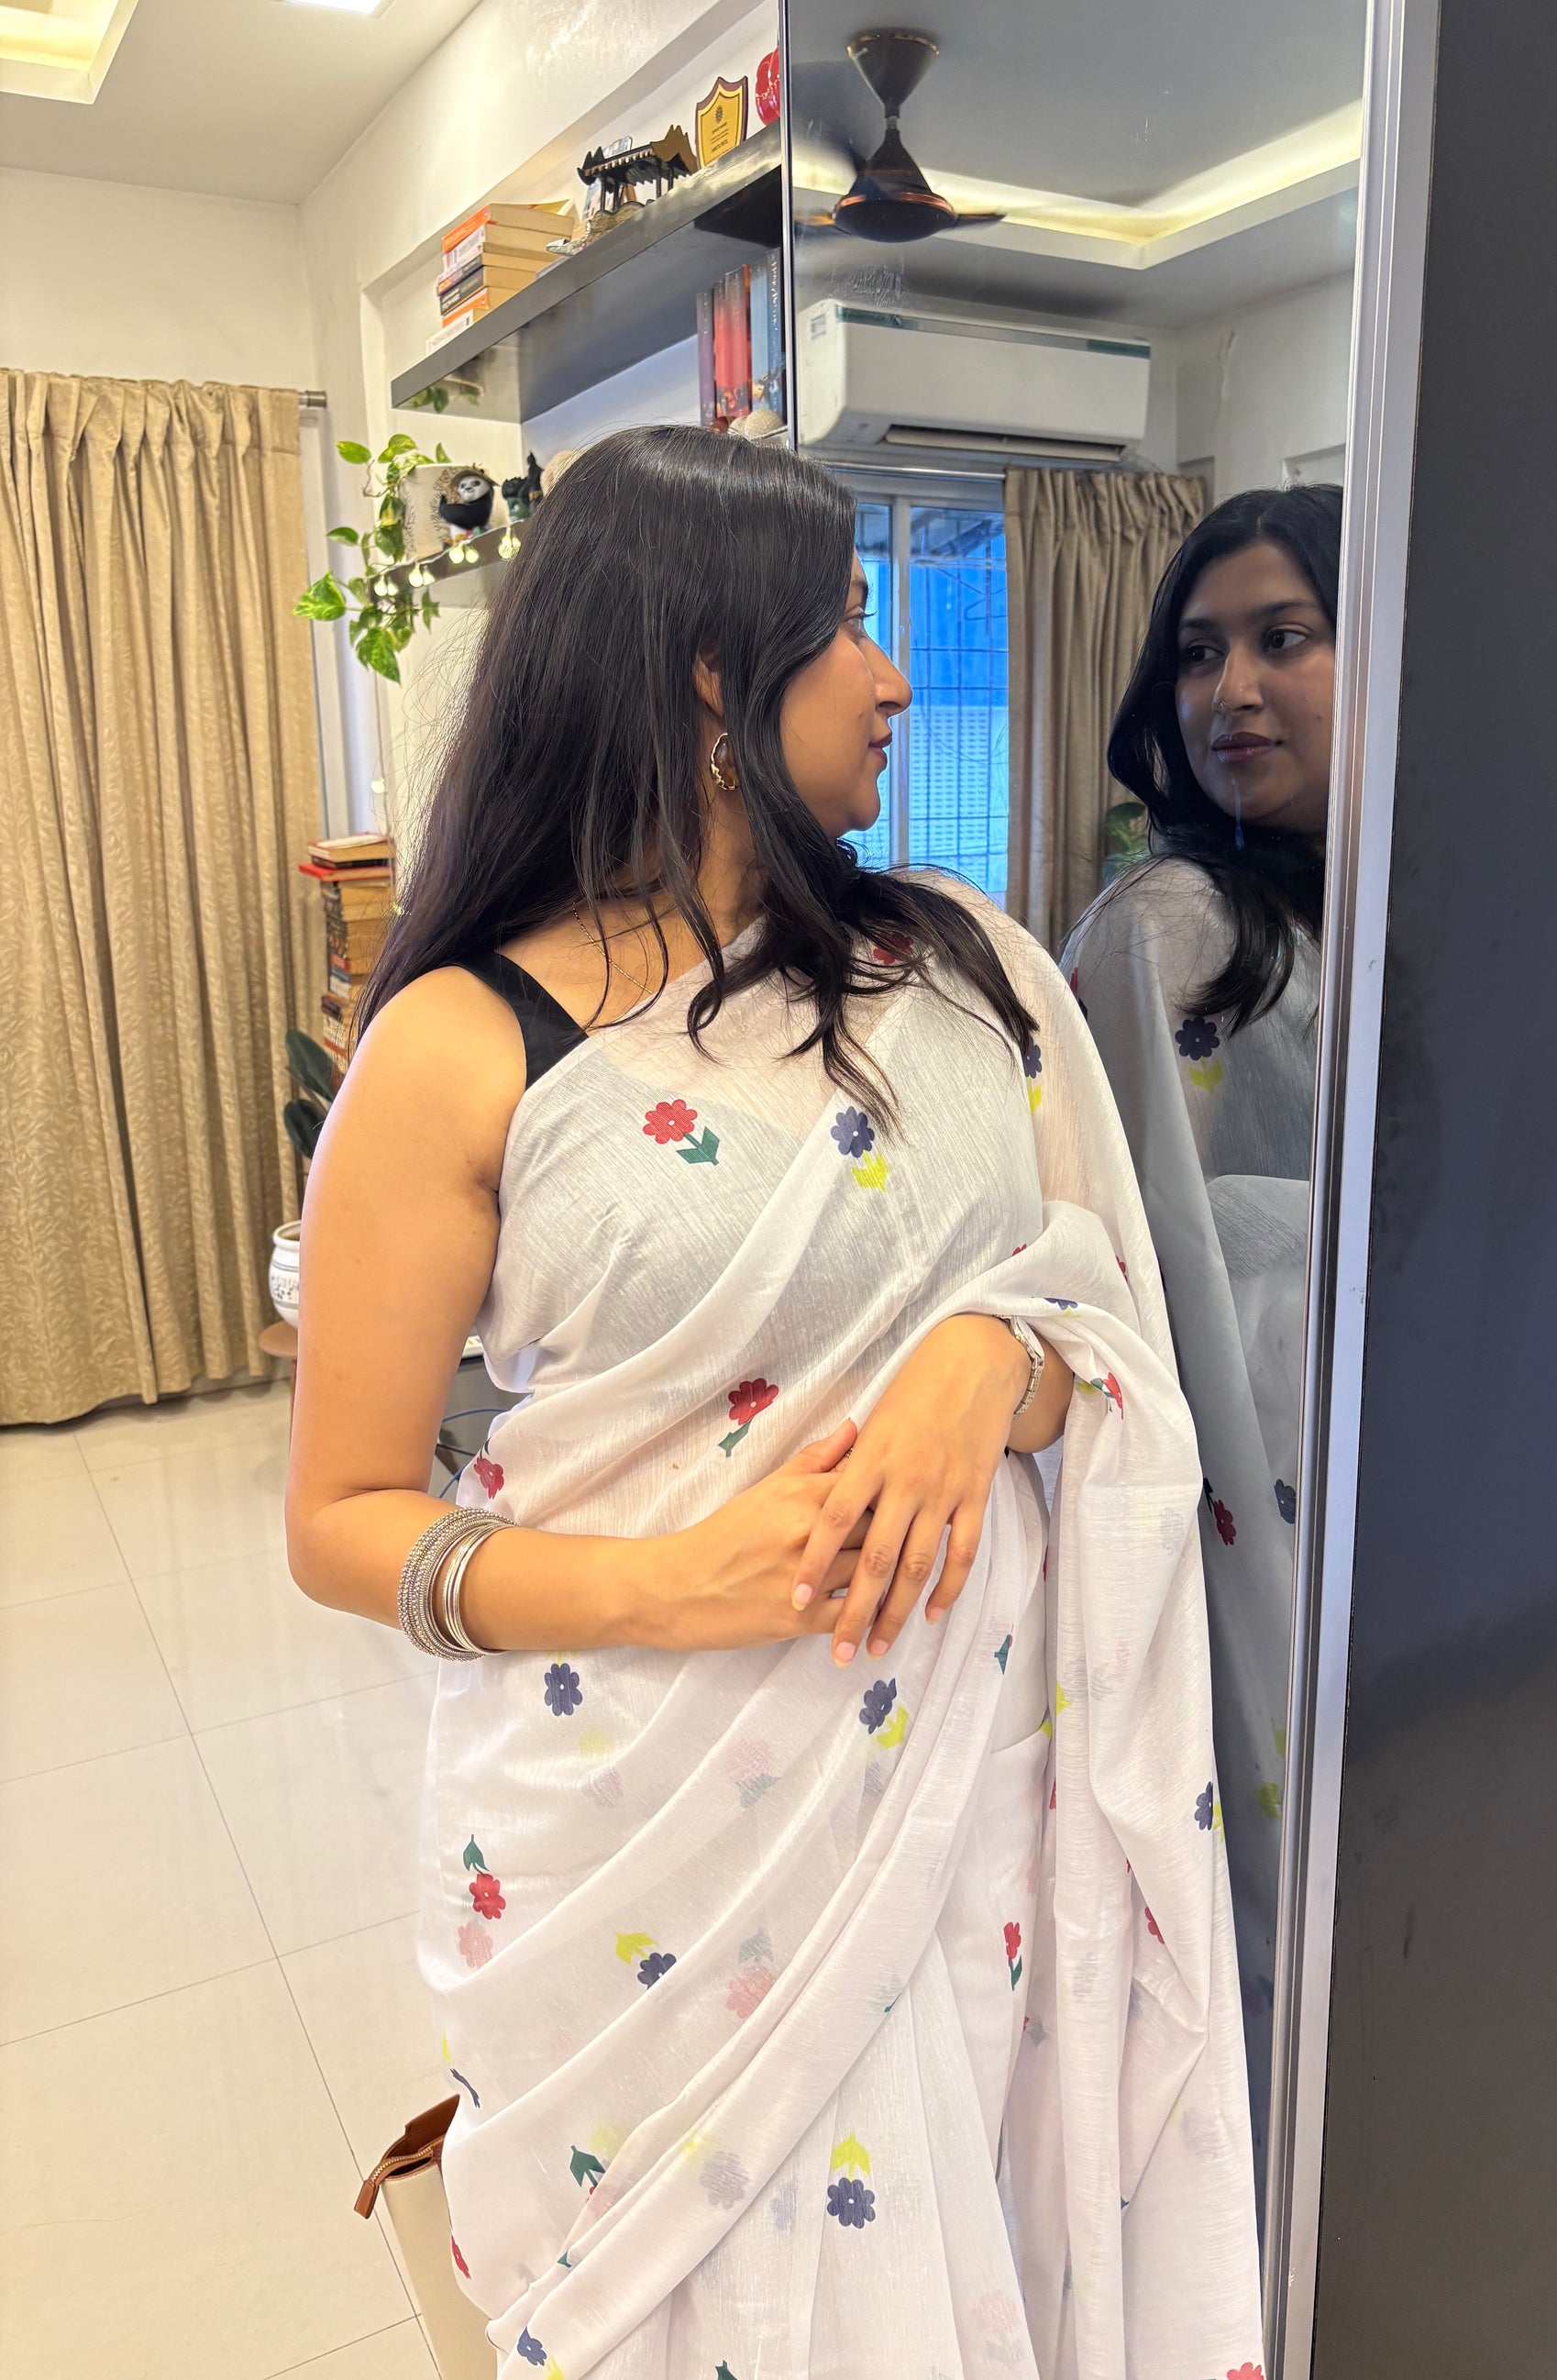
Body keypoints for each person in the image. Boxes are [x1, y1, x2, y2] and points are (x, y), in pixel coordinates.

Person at [285, 426, 1260, 2379]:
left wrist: (987, 1368)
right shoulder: (465, 1041)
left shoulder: (965, 967)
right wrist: (680, 1583)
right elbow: (343, 1515)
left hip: (971, 1780)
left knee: (957, 2232)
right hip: (649, 1810)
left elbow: (1108, 1314)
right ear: (715, 670)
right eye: (845, 624)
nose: (892, 673)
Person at [1062, 483, 1340, 2183]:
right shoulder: (1173, 935)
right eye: (1196, 655)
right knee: (1270, 1907)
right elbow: (1104, 1269)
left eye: (1282, 638)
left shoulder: (1435, 905)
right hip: (1248, 1523)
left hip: (1452, 1494)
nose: (1228, 690)